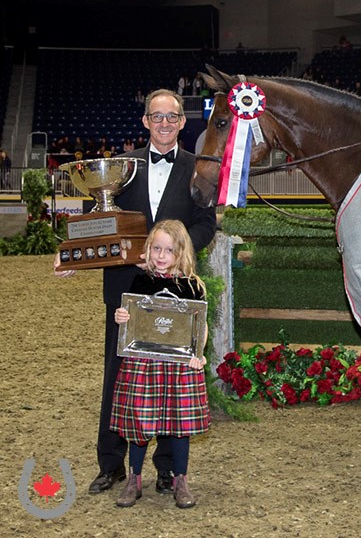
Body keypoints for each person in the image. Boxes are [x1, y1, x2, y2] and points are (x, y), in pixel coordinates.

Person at [54, 88, 216, 496]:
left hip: (174, 293)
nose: (164, 123)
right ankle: (111, 464)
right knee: (118, 376)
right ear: (145, 121)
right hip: (124, 289)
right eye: (156, 117)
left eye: (172, 117)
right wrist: (71, 256)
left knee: (168, 380)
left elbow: (205, 224)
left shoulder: (199, 168)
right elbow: (101, 218)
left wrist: (172, 256)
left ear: (182, 122)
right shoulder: (121, 168)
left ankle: (164, 469)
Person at [112, 219, 210, 508]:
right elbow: (129, 320)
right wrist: (122, 318)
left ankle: (181, 480)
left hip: (180, 368)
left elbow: (199, 326)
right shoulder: (140, 281)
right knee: (139, 425)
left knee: (180, 427)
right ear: (149, 249)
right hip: (143, 365)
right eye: (156, 248)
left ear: (182, 253)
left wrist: (199, 353)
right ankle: (135, 479)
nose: (161, 255)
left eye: (169, 250)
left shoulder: (193, 286)